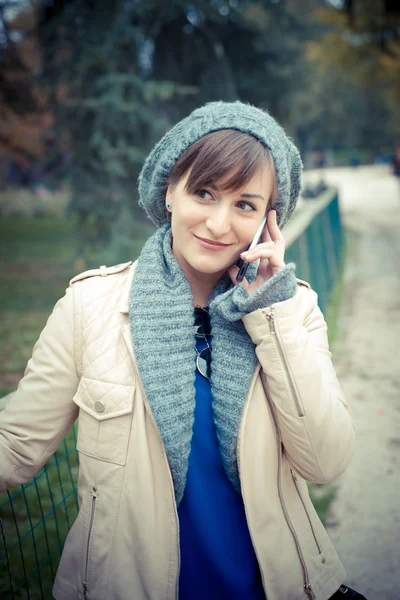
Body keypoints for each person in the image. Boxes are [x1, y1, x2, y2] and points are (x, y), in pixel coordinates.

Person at [0, 101, 361, 600]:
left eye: (245, 205)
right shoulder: (91, 307)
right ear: (170, 190)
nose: (217, 223)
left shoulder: (293, 311)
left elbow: (326, 461)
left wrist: (268, 311)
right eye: (204, 192)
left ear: (266, 222)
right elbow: (16, 443)